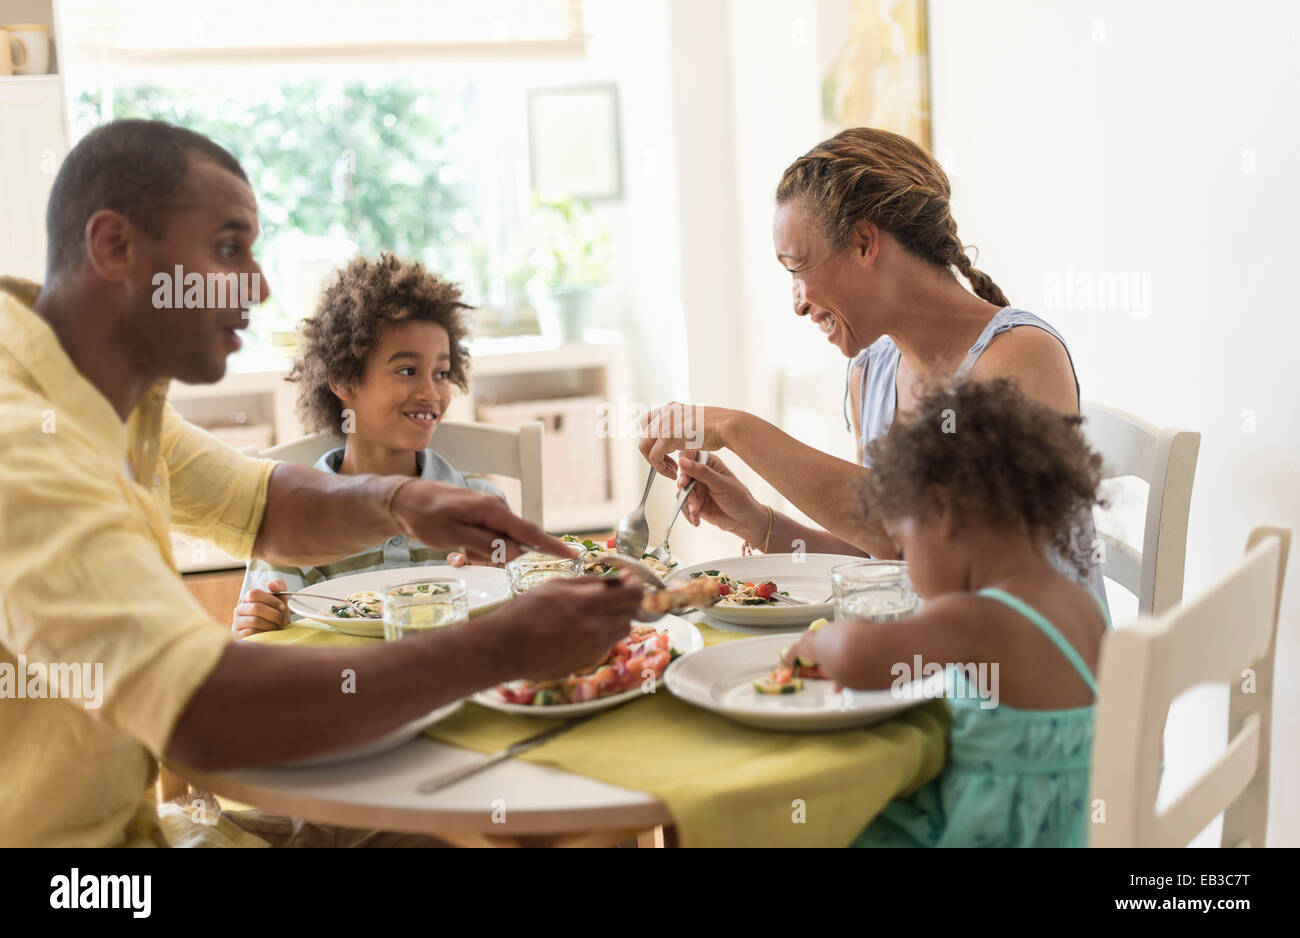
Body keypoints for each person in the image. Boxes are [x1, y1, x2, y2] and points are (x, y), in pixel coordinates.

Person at [0, 119, 642, 848]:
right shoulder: (23, 450)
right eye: (229, 248)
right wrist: (502, 648)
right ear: (115, 247)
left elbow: (264, 503)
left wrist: (401, 503)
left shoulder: (105, 393)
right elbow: (210, 717)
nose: (262, 282)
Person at [638, 127, 1105, 607]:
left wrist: (735, 428)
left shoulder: (1020, 357)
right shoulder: (872, 372)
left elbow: (918, 533)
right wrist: (761, 524)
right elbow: (885, 561)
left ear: (863, 242)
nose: (797, 303)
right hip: (931, 660)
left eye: (798, 268)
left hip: (1024, 670)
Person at [786, 378, 1109, 847]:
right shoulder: (1080, 602)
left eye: (902, 545)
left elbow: (860, 656)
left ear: (942, 510)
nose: (905, 566)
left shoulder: (980, 618)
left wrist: (819, 642)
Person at [234, 253, 501, 638]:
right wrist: (258, 626)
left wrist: (508, 586)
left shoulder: (479, 506)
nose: (431, 393)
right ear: (343, 380)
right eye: (407, 371)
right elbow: (270, 649)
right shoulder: (294, 520)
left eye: (441, 373)